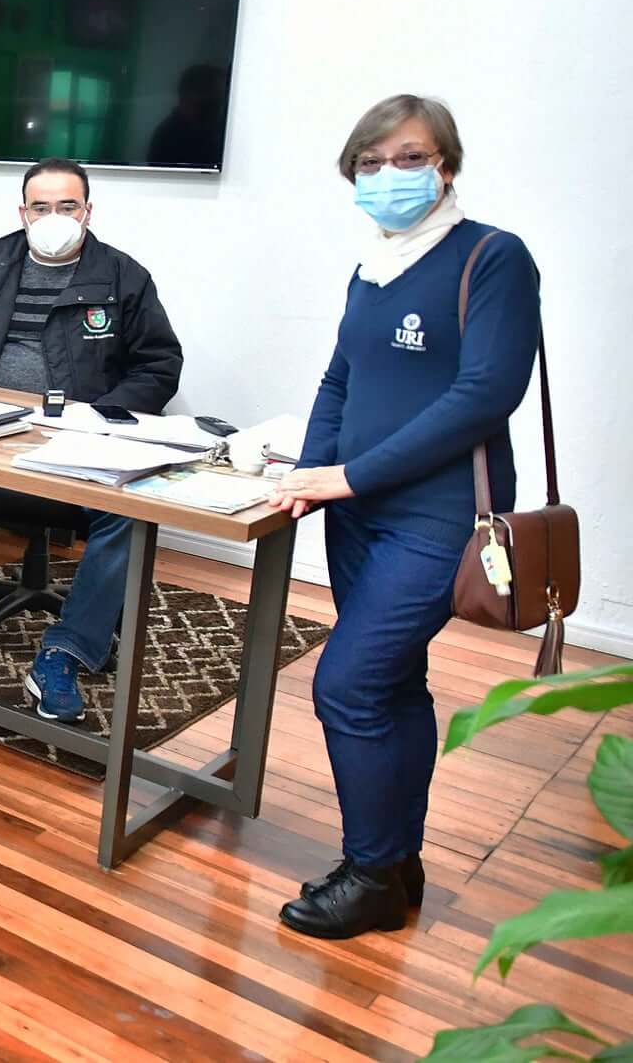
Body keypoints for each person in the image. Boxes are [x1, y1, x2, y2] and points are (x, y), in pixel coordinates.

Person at [270, 95, 539, 939]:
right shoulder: (372, 267)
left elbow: (485, 394)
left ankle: (370, 874)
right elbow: (339, 379)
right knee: (393, 682)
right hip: (356, 514)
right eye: (371, 162)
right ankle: (398, 858)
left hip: (438, 517)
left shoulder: (492, 257)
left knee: (346, 684)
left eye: (410, 157)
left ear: (446, 166)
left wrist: (351, 473)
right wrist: (312, 473)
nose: (389, 174)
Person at [0, 157, 183, 721]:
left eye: (67, 206)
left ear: (88, 211)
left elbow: (159, 365)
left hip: (80, 444)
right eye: (42, 207)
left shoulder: (123, 276)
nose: (54, 217)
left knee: (128, 511)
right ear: (23, 212)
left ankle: (67, 650)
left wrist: (97, 416)